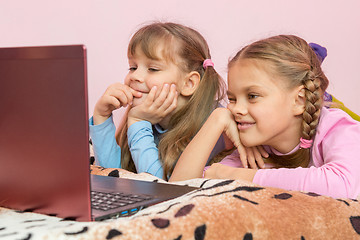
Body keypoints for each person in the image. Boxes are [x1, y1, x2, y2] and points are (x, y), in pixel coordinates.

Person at [170, 35, 360, 199]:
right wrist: (217, 119)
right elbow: (178, 192)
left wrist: (237, 175)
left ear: (299, 100)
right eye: (232, 99)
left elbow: (341, 184)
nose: (236, 109)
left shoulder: (339, 128)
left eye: (252, 96)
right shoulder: (255, 150)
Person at [89, 22, 245, 180]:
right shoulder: (146, 117)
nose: (135, 76)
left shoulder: (209, 125)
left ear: (189, 83)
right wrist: (101, 117)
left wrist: (138, 122)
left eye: (153, 69)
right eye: (133, 67)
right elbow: (114, 175)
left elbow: (162, 186)